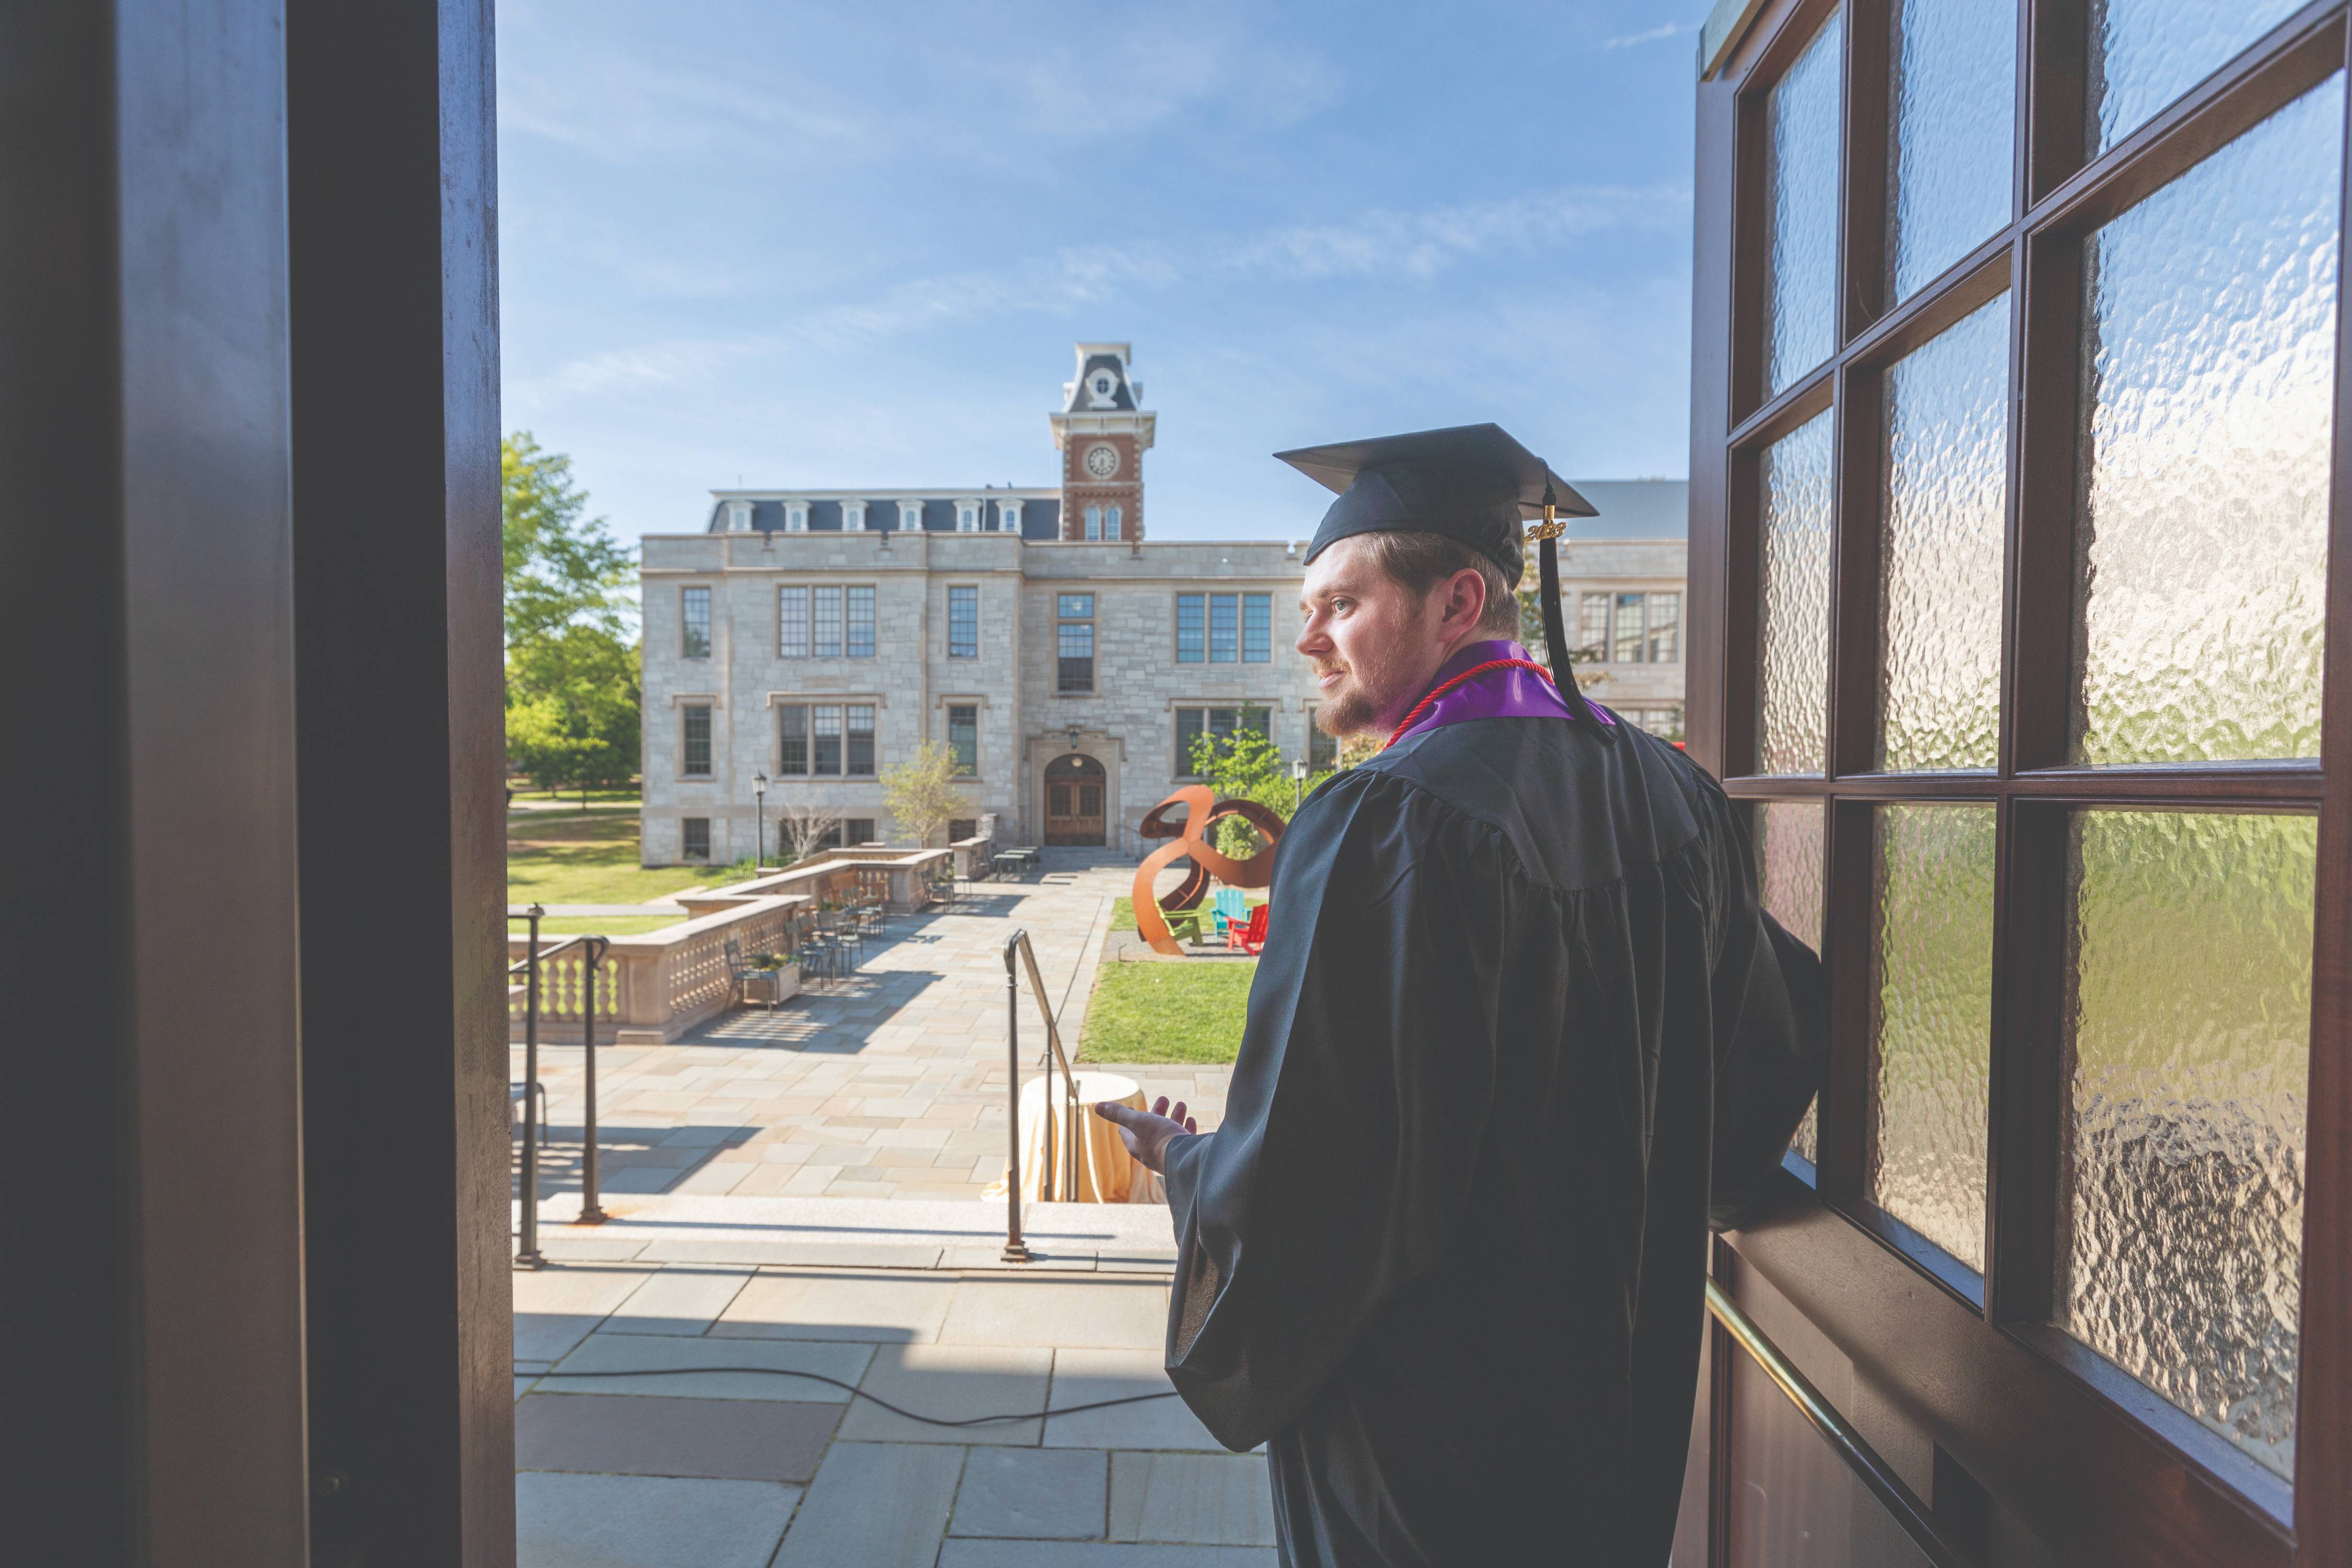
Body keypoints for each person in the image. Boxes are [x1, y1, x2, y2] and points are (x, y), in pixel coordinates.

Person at [1096, 424, 1824, 1567]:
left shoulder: (1386, 822)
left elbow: (1310, 1182)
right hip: (1618, 1388)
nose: (1307, 640)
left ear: (1458, 602)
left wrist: (1188, 1167)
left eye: (1340, 604)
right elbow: (1758, 1067)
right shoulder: (1673, 794)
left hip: (1431, 1431)